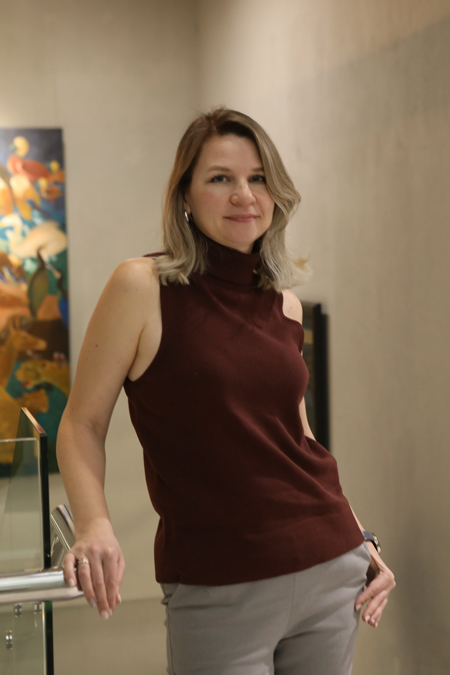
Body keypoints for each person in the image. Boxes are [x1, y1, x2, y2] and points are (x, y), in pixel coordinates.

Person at [57, 107, 395, 675]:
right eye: (220, 177)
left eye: (258, 178)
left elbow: (299, 438)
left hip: (329, 566)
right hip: (217, 584)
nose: (244, 194)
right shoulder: (142, 287)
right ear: (185, 195)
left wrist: (358, 533)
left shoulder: (284, 304)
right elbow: (81, 424)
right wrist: (94, 524)